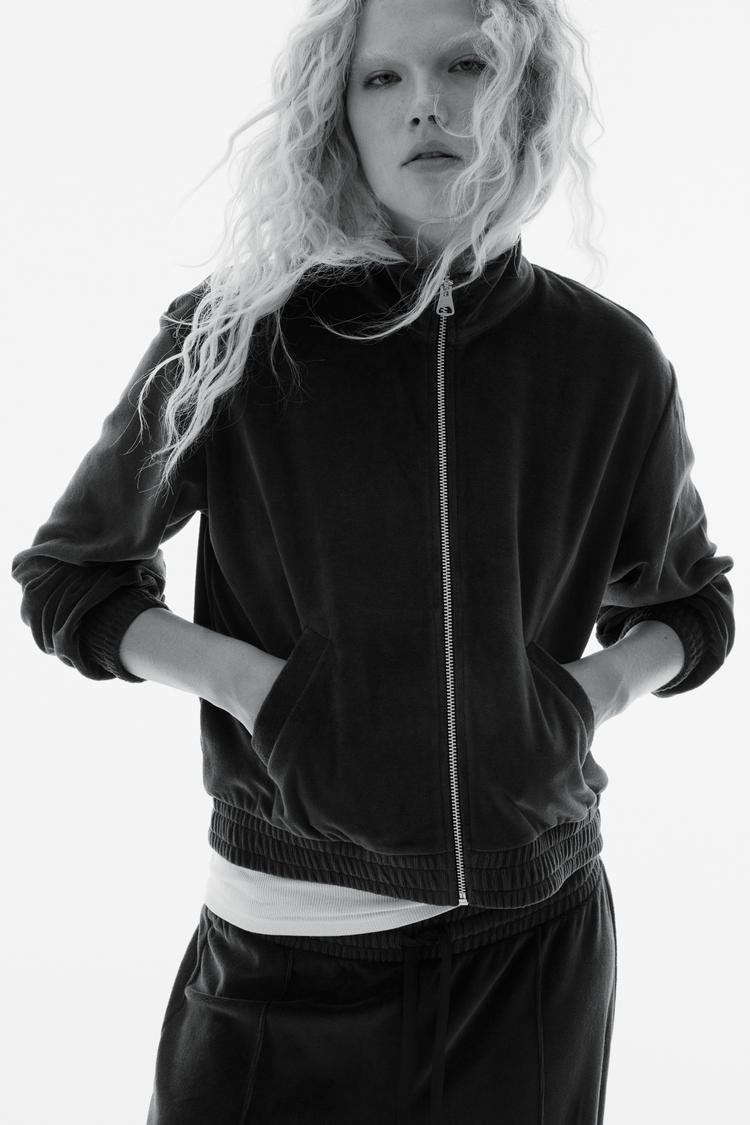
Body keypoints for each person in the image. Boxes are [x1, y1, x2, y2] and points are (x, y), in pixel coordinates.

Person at [10, 0, 735, 1122]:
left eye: (465, 65)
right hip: (283, 958)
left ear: (525, 97)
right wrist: (255, 687)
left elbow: (692, 604)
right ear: (336, 115)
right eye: (382, 79)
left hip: (532, 957)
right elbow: (71, 576)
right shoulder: (235, 338)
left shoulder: (608, 359)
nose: (426, 105)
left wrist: (584, 695)